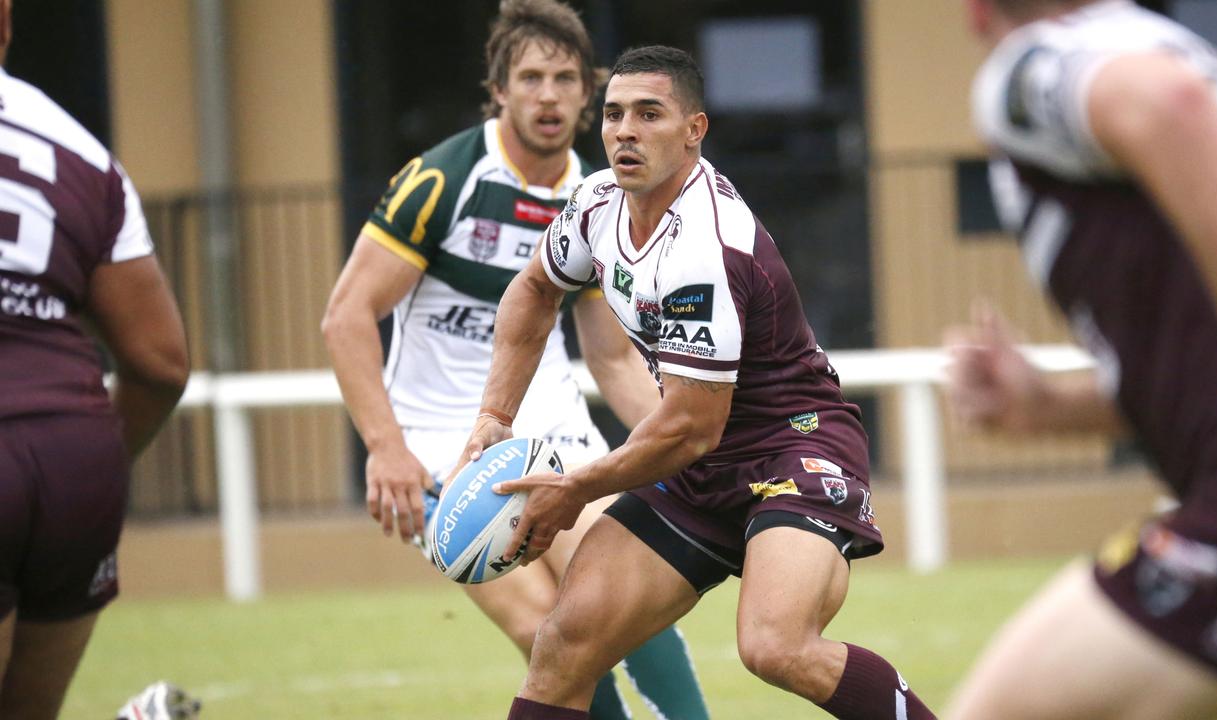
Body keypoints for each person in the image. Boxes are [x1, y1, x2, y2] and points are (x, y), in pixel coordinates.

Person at [454, 45, 936, 720]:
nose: (626, 130)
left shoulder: (705, 246)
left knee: (776, 646)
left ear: (693, 130)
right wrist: (494, 414)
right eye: (615, 113)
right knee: (563, 643)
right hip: (698, 467)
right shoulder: (595, 205)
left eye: (650, 114)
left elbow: (688, 427)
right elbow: (534, 288)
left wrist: (577, 490)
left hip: (793, 449)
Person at [321, 2, 708, 717]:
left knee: (618, 596)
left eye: (565, 78)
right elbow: (345, 317)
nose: (549, 95)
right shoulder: (443, 180)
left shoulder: (595, 196)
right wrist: (386, 448)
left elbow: (612, 358)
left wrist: (684, 436)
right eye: (531, 77)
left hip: (549, 421)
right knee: (542, 629)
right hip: (444, 443)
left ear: (588, 92)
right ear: (498, 89)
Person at [944, 1, 1217, 718]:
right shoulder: (1196, 58)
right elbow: (1206, 371)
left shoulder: (1033, 63)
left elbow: (1165, 103)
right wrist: (1051, 408)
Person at [0, 0, 190, 717]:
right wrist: (93, 462)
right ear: (6, 22)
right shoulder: (81, 149)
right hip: (76, 459)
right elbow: (162, 364)